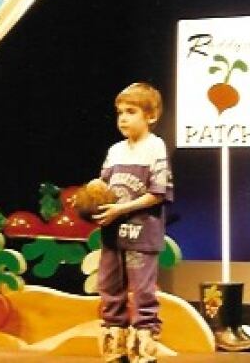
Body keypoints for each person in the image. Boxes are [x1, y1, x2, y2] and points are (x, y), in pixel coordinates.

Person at [89, 83, 173, 363]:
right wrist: (93, 191)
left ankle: (144, 343)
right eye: (119, 112)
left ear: (151, 116)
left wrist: (121, 208)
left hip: (142, 232)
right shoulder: (115, 150)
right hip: (113, 232)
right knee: (109, 285)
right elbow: (104, 187)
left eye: (131, 111)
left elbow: (157, 194)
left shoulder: (155, 147)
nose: (123, 118)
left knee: (142, 289)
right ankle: (115, 340)